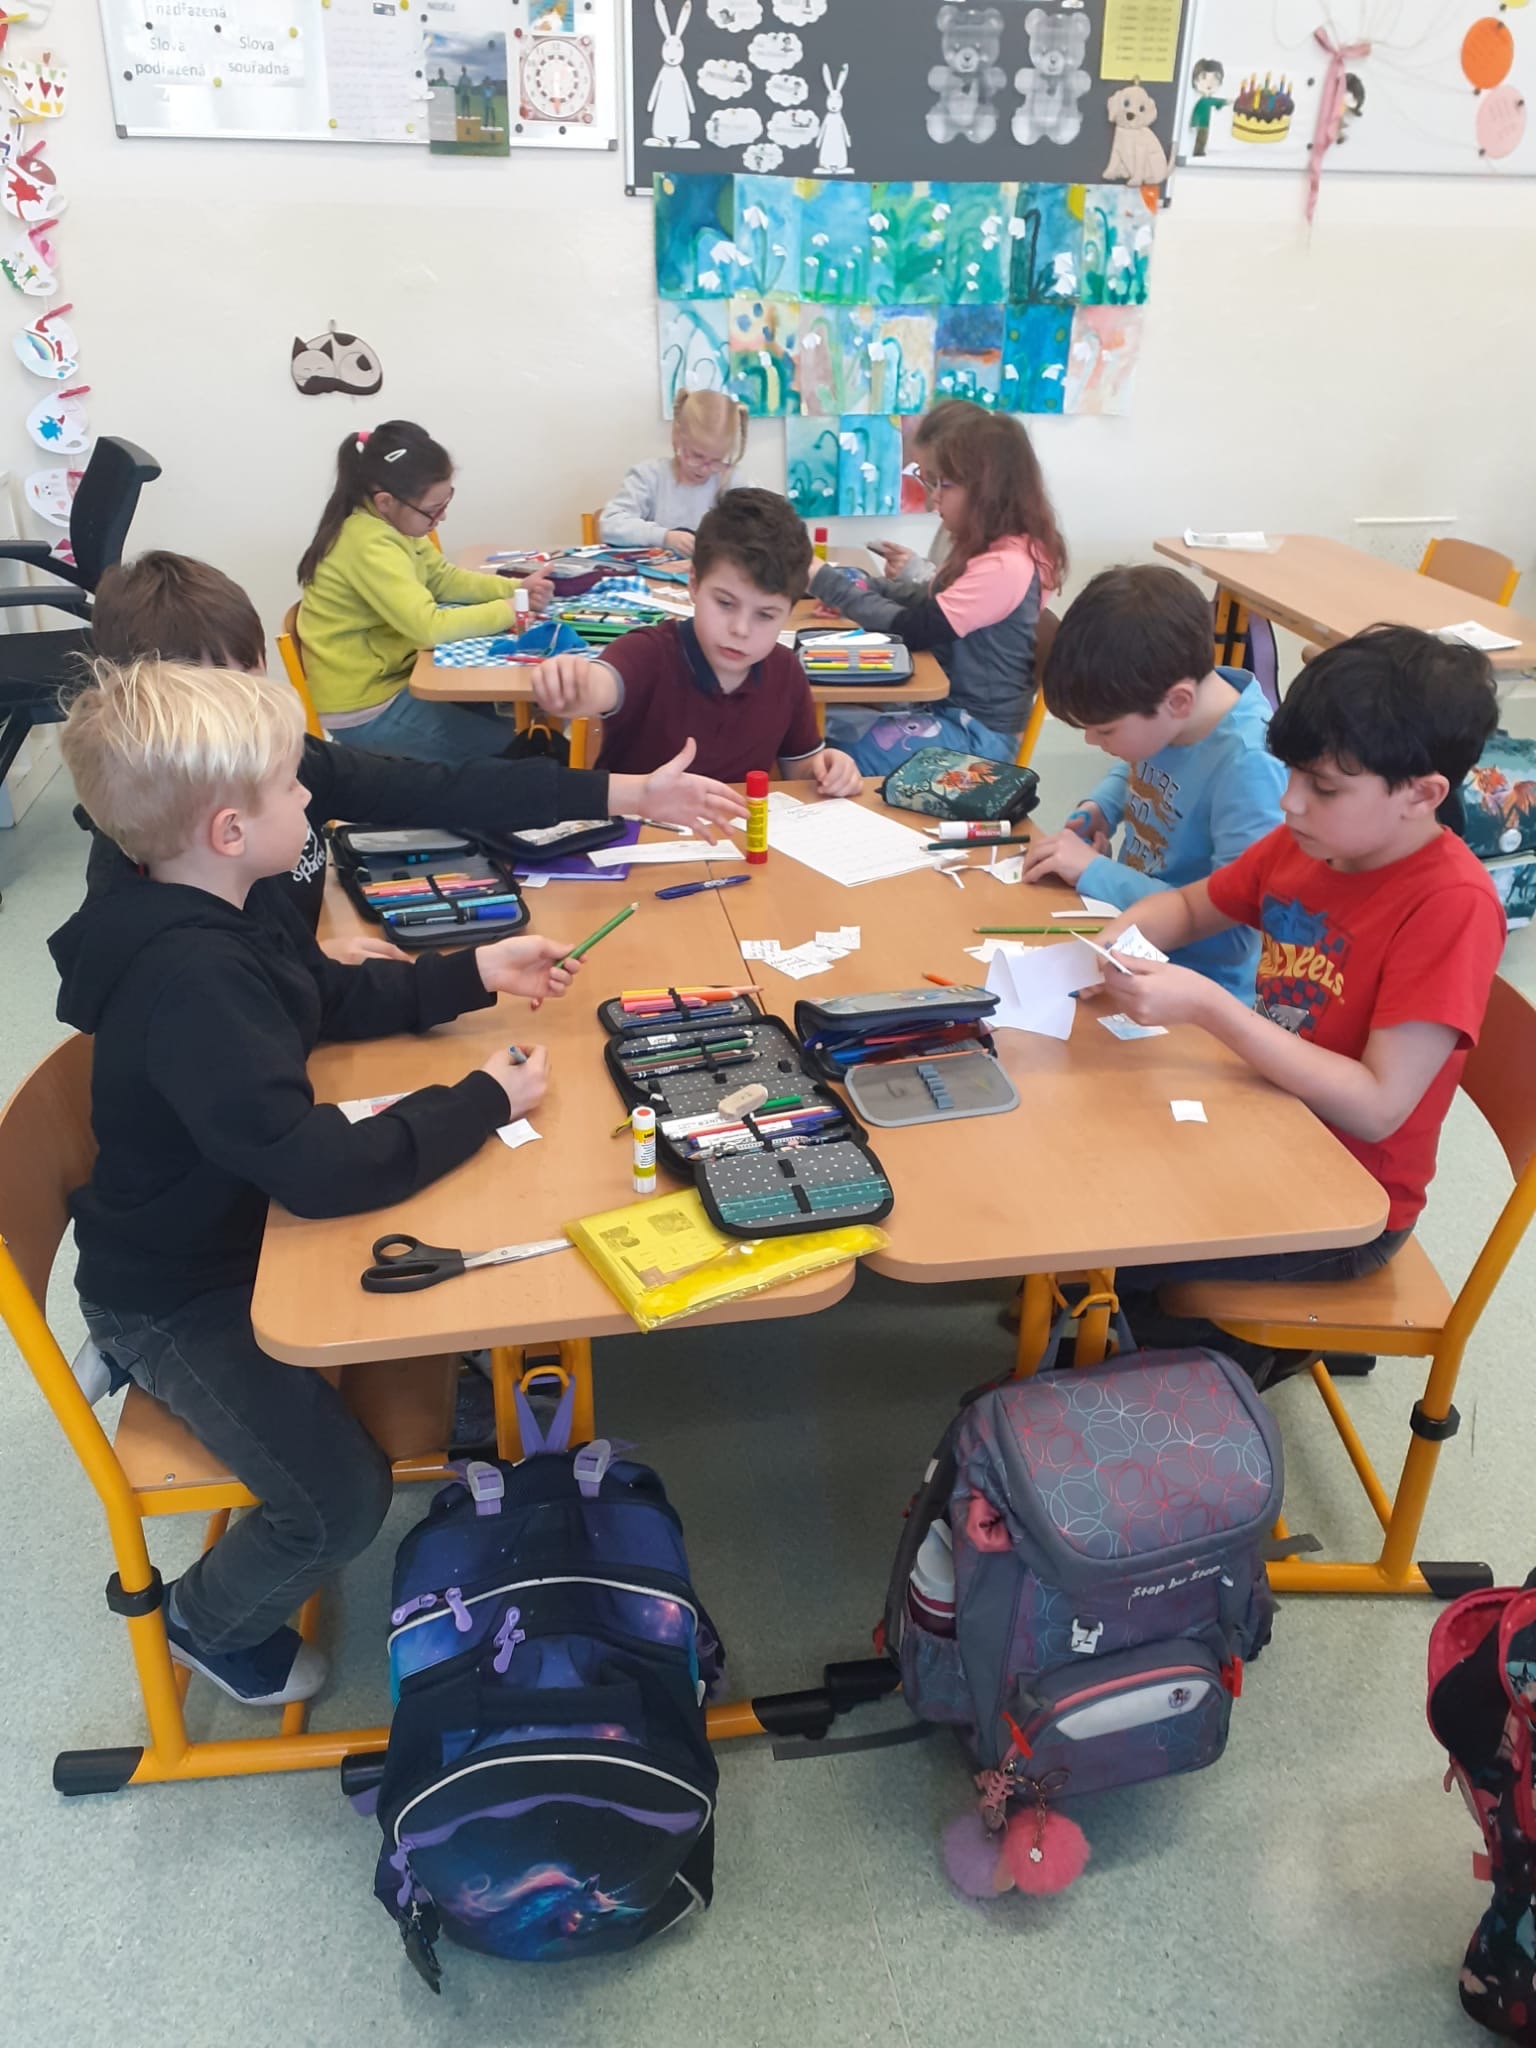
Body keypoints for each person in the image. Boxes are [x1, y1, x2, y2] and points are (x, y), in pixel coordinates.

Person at [50, 656, 582, 1708]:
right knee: (339, 1499)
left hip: (228, 1218)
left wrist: (474, 971)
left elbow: (319, 998)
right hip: (179, 1287)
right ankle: (205, 1622)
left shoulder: (220, 906)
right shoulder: (192, 979)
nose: (310, 798)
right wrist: (480, 1100)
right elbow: (320, 1172)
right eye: (291, 785)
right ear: (229, 830)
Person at [1088, 624, 1504, 1333]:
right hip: (1268, 1118)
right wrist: (1121, 937)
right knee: (1104, 1167)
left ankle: (1183, 1358)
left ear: (1422, 793)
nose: (1290, 802)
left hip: (1349, 1202)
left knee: (1119, 1237)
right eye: (1292, 775)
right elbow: (1189, 908)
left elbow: (1377, 1107)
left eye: (1324, 787)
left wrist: (1211, 1007)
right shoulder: (1309, 843)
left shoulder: (1451, 907)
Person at [86, 551, 743, 965]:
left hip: (312, 989)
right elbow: (188, 979)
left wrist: (627, 794)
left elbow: (440, 788)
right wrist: (304, 965)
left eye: (253, 678)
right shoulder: (147, 859)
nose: (249, 708)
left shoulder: (285, 764)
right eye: (220, 695)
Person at [1019, 564, 1286, 1002]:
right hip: (1126, 947)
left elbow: (1233, 933)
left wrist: (1094, 872)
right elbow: (1139, 762)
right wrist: (1101, 807)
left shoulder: (1250, 767)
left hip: (1192, 993)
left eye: (1105, 730)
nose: (1091, 741)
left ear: (1178, 701)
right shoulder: (1176, 710)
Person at [530, 486, 863, 793]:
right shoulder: (647, 653)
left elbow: (800, 769)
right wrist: (572, 684)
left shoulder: (786, 672)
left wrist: (827, 769)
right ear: (693, 583)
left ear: (789, 611)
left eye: (765, 615)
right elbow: (600, 684)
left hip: (736, 833)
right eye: (725, 603)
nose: (740, 629)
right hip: (641, 832)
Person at [806, 402, 1067, 775]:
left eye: (945, 485)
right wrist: (862, 584)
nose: (933, 500)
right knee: (814, 727)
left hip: (977, 738)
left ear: (987, 489)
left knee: (828, 755)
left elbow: (915, 628)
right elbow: (927, 598)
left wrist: (827, 582)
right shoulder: (987, 549)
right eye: (932, 483)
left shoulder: (1005, 565)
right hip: (947, 712)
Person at [295, 420, 551, 768]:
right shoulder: (368, 542)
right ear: (385, 501)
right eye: (432, 510)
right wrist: (508, 609)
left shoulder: (395, 525)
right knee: (520, 754)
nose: (442, 517)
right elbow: (428, 628)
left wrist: (517, 589)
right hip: (367, 706)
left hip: (398, 679)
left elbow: (443, 579)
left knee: (520, 727)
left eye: (446, 502)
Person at [600, 389, 748, 554]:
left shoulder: (732, 480)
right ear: (677, 435)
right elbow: (610, 525)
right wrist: (664, 537)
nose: (705, 469)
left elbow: (761, 527)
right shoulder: (649, 476)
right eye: (697, 456)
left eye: (716, 460)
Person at [1188, 58, 1227, 156]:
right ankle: (1198, 151)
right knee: (1201, 137)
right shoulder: (1201, 101)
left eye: (1215, 79)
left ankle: (1200, 150)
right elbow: (1196, 112)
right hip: (1201, 124)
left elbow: (1217, 102)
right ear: (1195, 80)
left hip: (1206, 124)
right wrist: (1194, 123)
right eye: (1204, 78)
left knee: (1204, 137)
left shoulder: (1208, 99)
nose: (1210, 83)